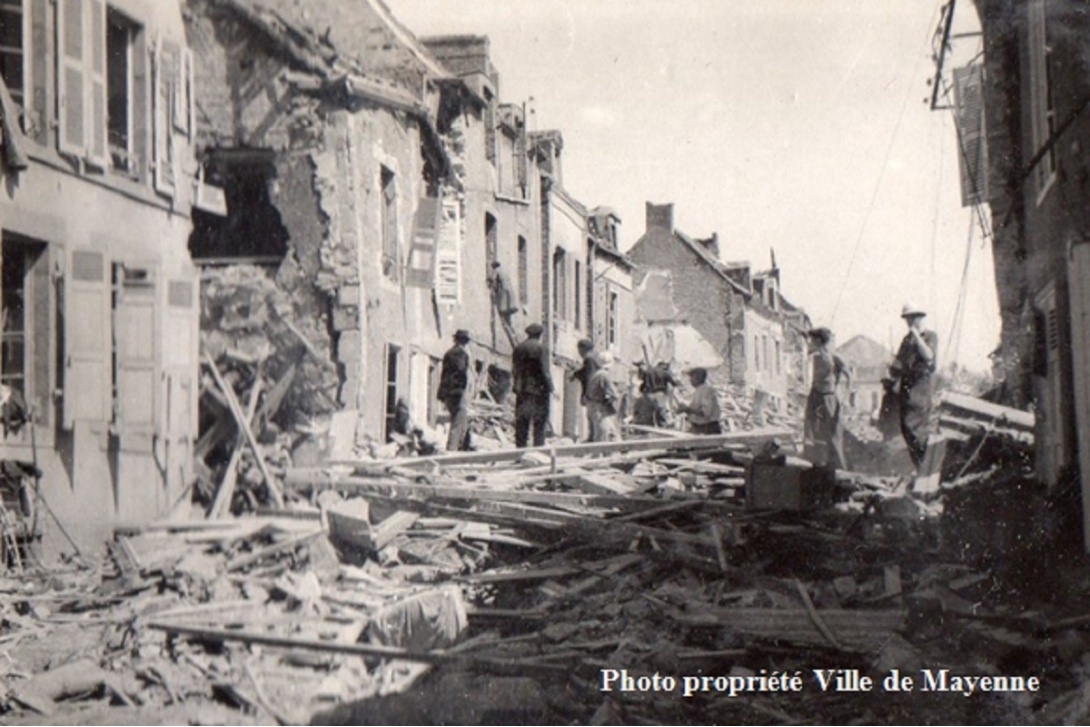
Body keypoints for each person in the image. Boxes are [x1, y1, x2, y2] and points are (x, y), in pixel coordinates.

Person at [891, 303, 938, 468]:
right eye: (907, 319)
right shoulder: (907, 340)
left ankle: (923, 465)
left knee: (917, 428)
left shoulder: (930, 336)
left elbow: (929, 355)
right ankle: (919, 465)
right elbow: (898, 363)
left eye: (912, 318)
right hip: (907, 386)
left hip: (921, 386)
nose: (909, 322)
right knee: (906, 427)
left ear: (920, 318)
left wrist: (917, 337)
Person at [803, 327, 851, 469]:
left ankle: (840, 469)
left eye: (812, 340)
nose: (809, 343)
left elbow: (849, 375)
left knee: (833, 436)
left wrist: (846, 397)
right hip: (815, 396)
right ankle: (817, 466)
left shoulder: (834, 357)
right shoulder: (814, 355)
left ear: (818, 341)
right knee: (814, 433)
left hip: (828, 398)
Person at [512, 323, 553, 447]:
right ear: (540, 334)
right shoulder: (541, 348)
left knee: (522, 423)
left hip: (522, 390)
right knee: (539, 423)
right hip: (539, 391)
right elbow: (545, 370)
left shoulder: (518, 348)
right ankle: (538, 451)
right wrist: (550, 387)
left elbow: (515, 370)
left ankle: (520, 452)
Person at [438, 329, 473, 452]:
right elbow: (461, 371)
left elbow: (444, 375)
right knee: (458, 422)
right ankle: (452, 450)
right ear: (465, 342)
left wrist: (442, 394)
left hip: (448, 393)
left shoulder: (448, 353)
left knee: (457, 421)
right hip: (457, 393)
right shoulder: (462, 354)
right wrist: (462, 388)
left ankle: (461, 447)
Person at [585, 351, 621, 442]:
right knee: (602, 436)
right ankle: (600, 455)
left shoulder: (595, 374)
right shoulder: (604, 375)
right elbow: (613, 393)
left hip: (592, 406)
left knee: (609, 432)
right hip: (600, 409)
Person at [677, 367, 722, 434]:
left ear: (697, 378)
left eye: (691, 378)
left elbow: (706, 413)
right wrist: (686, 410)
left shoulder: (706, 391)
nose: (690, 380)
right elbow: (696, 410)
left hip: (708, 428)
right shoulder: (699, 390)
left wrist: (688, 409)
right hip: (699, 426)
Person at [570, 338, 598, 440]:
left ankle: (592, 439)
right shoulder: (594, 359)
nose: (579, 353)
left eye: (579, 350)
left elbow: (588, 377)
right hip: (595, 393)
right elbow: (584, 372)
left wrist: (586, 394)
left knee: (591, 417)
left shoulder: (589, 360)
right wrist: (575, 374)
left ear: (583, 349)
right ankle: (592, 438)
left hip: (591, 394)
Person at [640, 360, 680, 427]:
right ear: (663, 365)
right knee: (662, 410)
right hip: (660, 393)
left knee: (649, 412)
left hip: (648, 394)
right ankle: (664, 425)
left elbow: (643, 384)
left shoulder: (647, 372)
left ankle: (648, 427)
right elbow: (673, 383)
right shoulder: (664, 372)